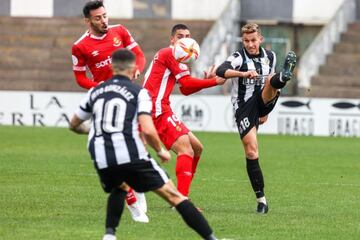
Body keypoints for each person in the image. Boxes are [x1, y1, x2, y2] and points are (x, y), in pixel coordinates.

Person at [69, 49, 220, 240]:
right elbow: (148, 129)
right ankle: (212, 239)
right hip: (128, 153)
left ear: (111, 67)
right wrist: (160, 151)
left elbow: (74, 124)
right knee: (175, 196)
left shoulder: (96, 91)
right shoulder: (139, 92)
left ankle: (109, 235)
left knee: (119, 187)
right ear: (134, 68)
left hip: (99, 155)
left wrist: (93, 132)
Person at [71, 0, 148, 223]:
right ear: (87, 20)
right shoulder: (80, 46)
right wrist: (100, 88)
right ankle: (133, 203)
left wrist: (137, 70)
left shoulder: (120, 31)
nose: (104, 20)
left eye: (105, 15)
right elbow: (79, 77)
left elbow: (140, 55)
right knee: (115, 153)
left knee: (138, 146)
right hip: (104, 103)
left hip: (129, 97)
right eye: (98, 18)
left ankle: (139, 193)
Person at [216, 23, 297, 214]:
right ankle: (262, 200)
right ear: (242, 41)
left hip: (263, 99)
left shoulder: (270, 56)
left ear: (260, 39)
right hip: (244, 107)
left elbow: (269, 84)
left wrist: (266, 111)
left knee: (272, 80)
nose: (250, 44)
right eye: (246, 41)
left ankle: (283, 77)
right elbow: (221, 70)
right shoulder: (237, 57)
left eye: (253, 40)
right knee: (251, 151)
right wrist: (242, 73)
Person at [143, 24, 226, 199]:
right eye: (180, 36)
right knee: (186, 150)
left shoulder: (179, 59)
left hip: (160, 108)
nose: (185, 40)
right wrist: (214, 82)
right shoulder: (169, 53)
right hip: (155, 110)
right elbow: (187, 83)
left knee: (197, 149)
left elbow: (185, 89)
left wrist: (204, 81)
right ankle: (182, 200)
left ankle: (181, 194)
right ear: (172, 39)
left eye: (188, 36)